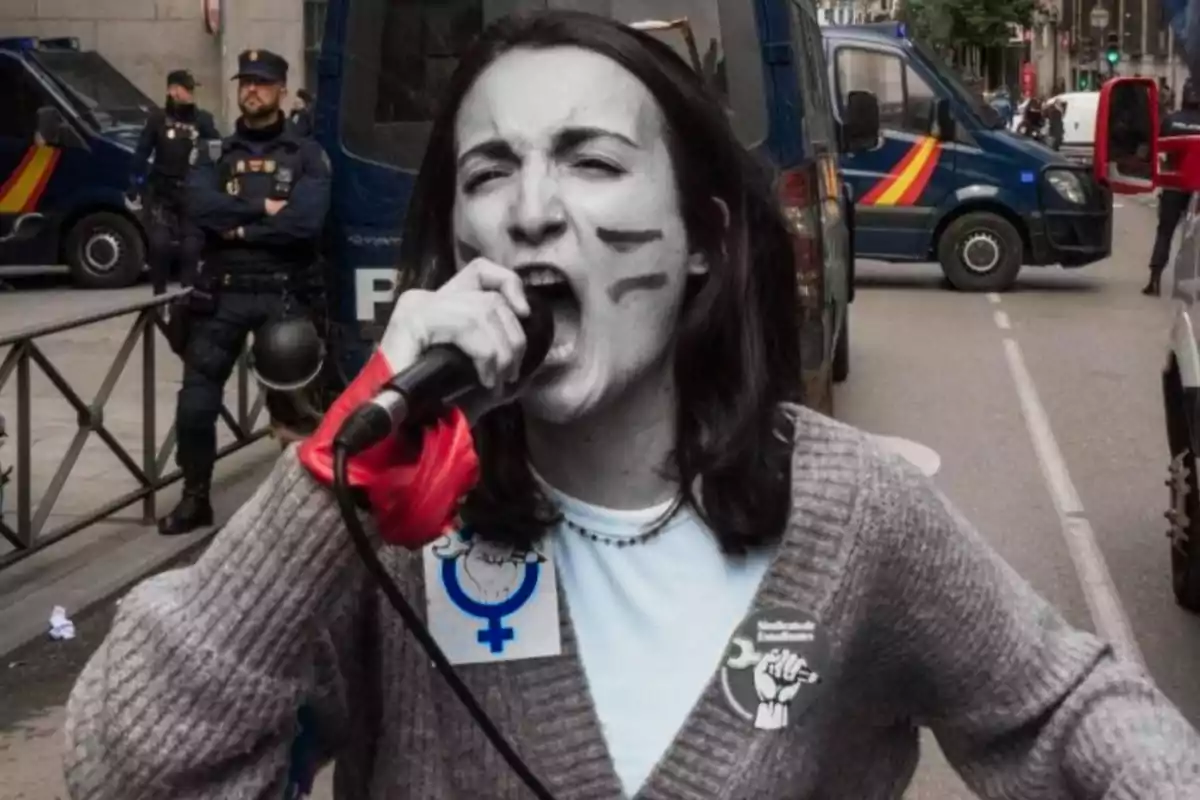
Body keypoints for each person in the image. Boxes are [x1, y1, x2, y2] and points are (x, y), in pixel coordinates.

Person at [65, 11, 1200, 799]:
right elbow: (130, 765)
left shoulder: (853, 512)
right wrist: (333, 483)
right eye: (487, 171)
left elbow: (1054, 706)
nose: (529, 211)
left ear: (704, 239)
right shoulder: (392, 540)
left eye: (591, 162)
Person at [156, 48, 331, 536]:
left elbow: (304, 224)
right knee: (194, 406)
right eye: (245, 81)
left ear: (280, 89)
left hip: (284, 294)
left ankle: (304, 512)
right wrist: (263, 212)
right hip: (223, 295)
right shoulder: (213, 152)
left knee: (294, 414)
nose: (250, 89)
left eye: (261, 82)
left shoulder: (307, 155)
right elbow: (199, 208)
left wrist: (237, 226)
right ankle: (195, 500)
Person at [129, 69, 219, 294]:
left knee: (191, 247)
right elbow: (141, 152)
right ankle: (158, 296)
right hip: (162, 191)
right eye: (185, 89)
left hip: (192, 192)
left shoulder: (203, 120)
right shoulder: (158, 119)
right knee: (159, 246)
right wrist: (135, 184)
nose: (189, 94)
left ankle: (187, 295)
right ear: (172, 90)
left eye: (191, 90)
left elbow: (217, 152)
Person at [1146, 79, 1200, 296]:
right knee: (1194, 236)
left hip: (1174, 184)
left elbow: (1158, 148)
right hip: (1197, 187)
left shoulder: (1171, 120)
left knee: (1165, 232)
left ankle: (1155, 279)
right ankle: (1189, 283)